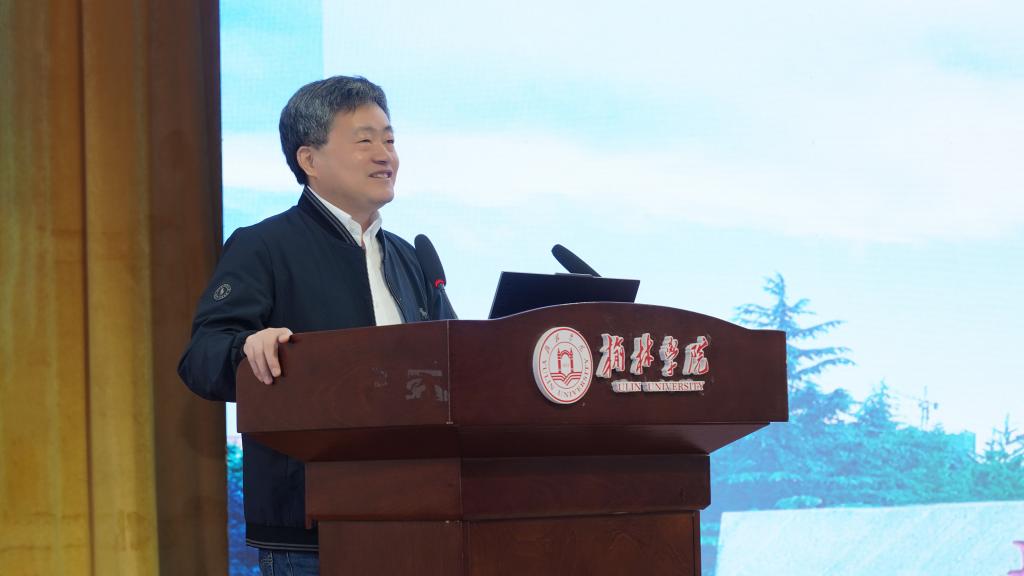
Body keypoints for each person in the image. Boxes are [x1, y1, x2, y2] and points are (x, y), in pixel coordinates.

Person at [178, 75, 455, 575]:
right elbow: (201, 357)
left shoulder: (409, 258)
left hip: (418, 518)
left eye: (390, 139)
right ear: (309, 159)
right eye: (364, 140)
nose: (385, 155)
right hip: (309, 533)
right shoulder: (264, 246)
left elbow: (458, 364)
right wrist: (248, 347)